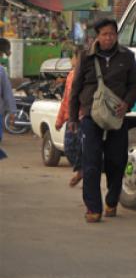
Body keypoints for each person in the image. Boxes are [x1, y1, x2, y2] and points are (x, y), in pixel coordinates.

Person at [67, 18, 136, 223]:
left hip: (117, 118)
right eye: (105, 34)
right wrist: (73, 117)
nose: (109, 37)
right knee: (91, 163)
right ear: (97, 37)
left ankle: (111, 200)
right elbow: (75, 89)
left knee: (116, 162)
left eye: (112, 33)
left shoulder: (127, 57)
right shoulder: (86, 57)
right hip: (91, 117)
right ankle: (93, 208)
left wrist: (127, 104)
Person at [55, 46, 85, 186]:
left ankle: (84, 171)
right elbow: (66, 99)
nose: (71, 60)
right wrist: (60, 120)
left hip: (83, 118)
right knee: (69, 148)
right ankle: (81, 170)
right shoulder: (71, 76)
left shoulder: (86, 75)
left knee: (82, 147)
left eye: (73, 57)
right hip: (71, 119)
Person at [0, 38, 15, 161]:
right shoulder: (1, 71)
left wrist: (12, 111)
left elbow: (7, 93)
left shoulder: (1, 71)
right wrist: (12, 112)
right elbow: (7, 93)